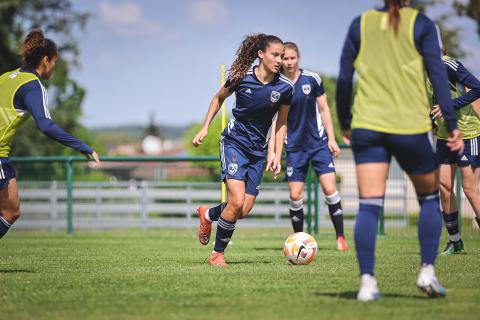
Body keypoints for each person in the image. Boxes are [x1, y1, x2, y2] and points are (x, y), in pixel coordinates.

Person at [336, 0, 463, 301]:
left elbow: (344, 78)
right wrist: (452, 122)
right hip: (409, 126)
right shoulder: (421, 24)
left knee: (368, 205)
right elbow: (438, 76)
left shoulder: (360, 23)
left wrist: (345, 121)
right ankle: (427, 272)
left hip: (367, 124)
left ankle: (367, 283)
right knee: (430, 198)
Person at [192, 34, 293, 266]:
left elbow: (282, 122)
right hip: (233, 143)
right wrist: (205, 128)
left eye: (282, 56)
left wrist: (276, 154)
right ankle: (217, 254)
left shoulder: (285, 88)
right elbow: (218, 98)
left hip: (258, 151)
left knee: (243, 210)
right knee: (236, 201)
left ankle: (208, 214)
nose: (280, 60)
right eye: (275, 55)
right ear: (261, 54)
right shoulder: (241, 77)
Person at [0, 29, 100, 239]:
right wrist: (83, 146)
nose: (54, 67)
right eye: (54, 61)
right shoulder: (33, 86)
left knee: (12, 209)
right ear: (45, 60)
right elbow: (45, 125)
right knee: (10, 211)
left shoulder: (7, 77)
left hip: (3, 157)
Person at [281, 42, 348, 251]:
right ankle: (298, 239)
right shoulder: (277, 84)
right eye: (285, 58)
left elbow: (324, 109)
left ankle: (340, 238)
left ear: (298, 58)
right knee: (295, 195)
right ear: (280, 60)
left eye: (292, 58)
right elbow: (276, 120)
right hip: (293, 147)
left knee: (329, 189)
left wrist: (331, 138)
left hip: (318, 144)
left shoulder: (312, 79)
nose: (289, 62)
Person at [430, 49, 480, 255]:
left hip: (467, 133)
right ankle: (455, 242)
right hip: (444, 136)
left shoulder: (448, 65)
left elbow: (477, 88)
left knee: (469, 189)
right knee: (443, 187)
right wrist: (431, 119)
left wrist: (448, 105)